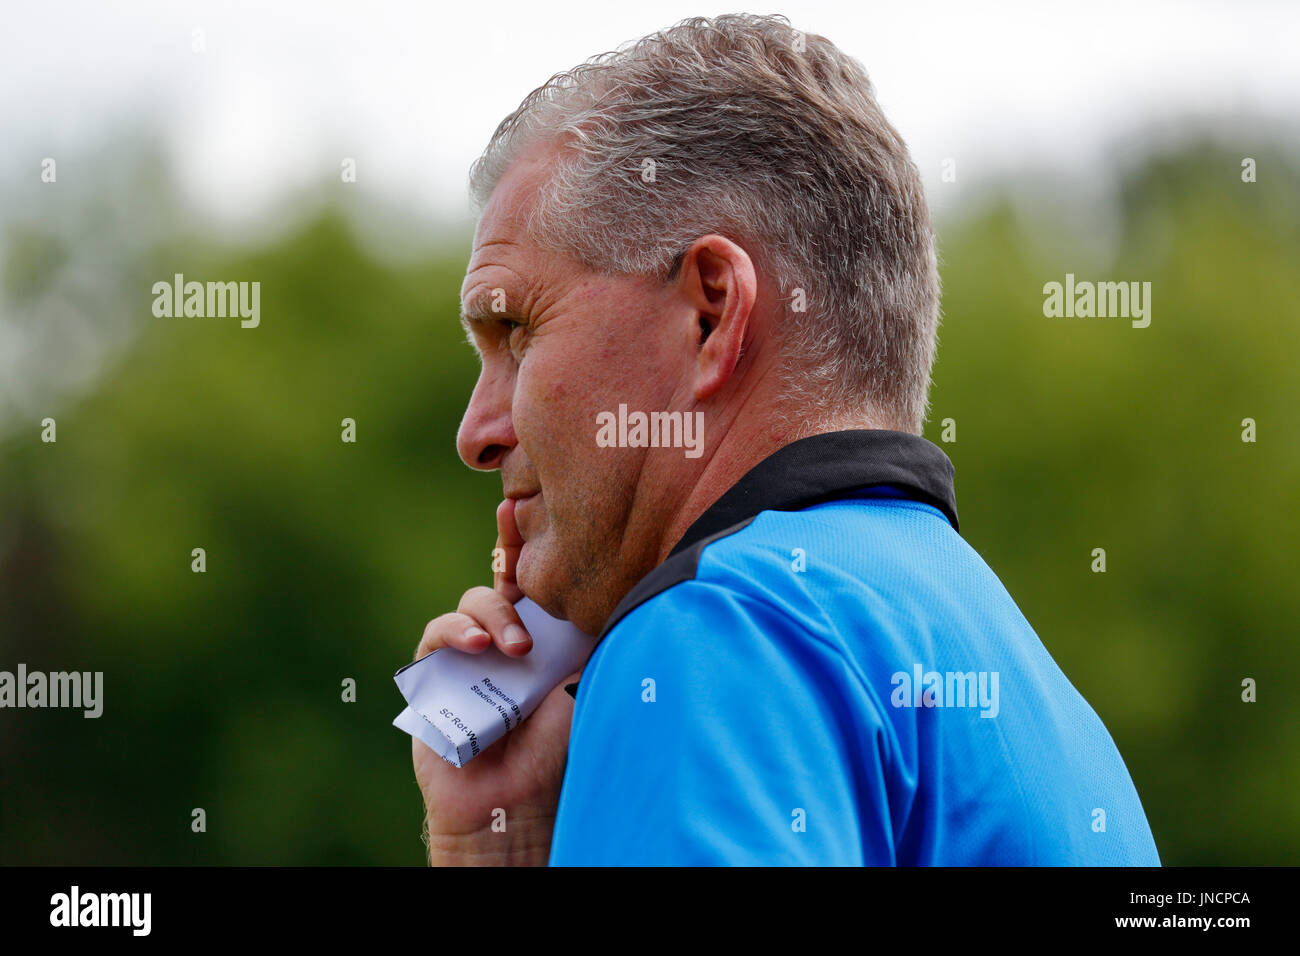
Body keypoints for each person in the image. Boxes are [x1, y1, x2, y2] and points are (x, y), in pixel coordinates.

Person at [409, 13, 1161, 866]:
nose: (476, 433)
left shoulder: (720, 629)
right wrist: (499, 845)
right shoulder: (1018, 678)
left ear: (710, 313)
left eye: (514, 330)